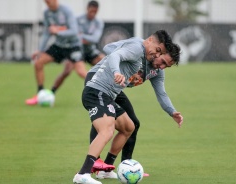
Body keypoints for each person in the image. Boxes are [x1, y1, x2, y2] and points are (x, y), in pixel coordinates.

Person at [73, 30, 174, 184]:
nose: (157, 56)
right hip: (97, 90)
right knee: (106, 129)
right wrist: (116, 72)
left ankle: (104, 170)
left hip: (108, 94)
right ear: (150, 40)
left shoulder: (146, 60)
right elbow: (113, 54)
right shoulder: (137, 47)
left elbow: (161, 93)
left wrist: (172, 112)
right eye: (158, 51)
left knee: (129, 126)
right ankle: (83, 174)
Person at [90, 51, 183, 179]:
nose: (162, 67)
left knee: (133, 124)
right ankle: (95, 163)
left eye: (166, 66)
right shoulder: (138, 56)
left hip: (114, 90)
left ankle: (124, 167)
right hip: (98, 82)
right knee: (104, 121)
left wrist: (172, 111)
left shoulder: (157, 72)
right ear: (158, 53)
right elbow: (110, 48)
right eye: (163, 62)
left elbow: (161, 94)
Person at [25, 0, 87, 105]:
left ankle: (101, 92)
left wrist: (57, 31)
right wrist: (40, 50)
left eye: (49, 1)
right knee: (38, 63)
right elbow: (46, 33)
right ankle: (41, 95)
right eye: (46, 2)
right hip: (59, 46)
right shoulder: (47, 13)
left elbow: (74, 31)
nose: (48, 3)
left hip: (73, 46)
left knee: (79, 72)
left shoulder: (66, 11)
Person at [48, 0, 105, 96]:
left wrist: (81, 36)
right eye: (91, 11)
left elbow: (95, 39)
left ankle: (110, 89)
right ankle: (51, 92)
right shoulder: (77, 19)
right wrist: (82, 37)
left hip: (90, 50)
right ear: (87, 9)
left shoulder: (98, 22)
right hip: (76, 50)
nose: (92, 14)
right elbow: (72, 33)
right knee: (67, 72)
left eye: (95, 12)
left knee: (105, 62)